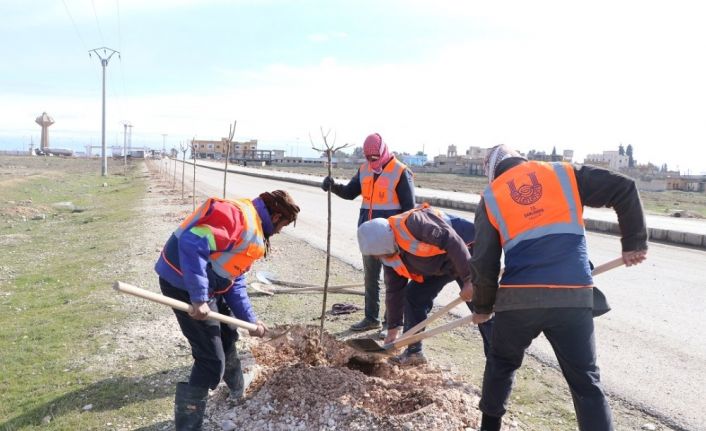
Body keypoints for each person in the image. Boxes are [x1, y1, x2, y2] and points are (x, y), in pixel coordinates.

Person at [469, 145, 648, 431]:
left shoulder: (491, 196)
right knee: (586, 384)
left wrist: (482, 307)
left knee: (501, 364)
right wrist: (634, 244)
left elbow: (484, 261)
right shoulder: (563, 174)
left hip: (518, 301)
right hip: (573, 297)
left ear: (491, 171)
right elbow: (624, 187)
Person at [155, 190, 300, 430]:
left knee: (229, 333)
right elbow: (193, 241)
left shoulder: (254, 229)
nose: (280, 231)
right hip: (182, 282)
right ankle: (187, 427)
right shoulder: (237, 218)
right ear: (275, 217)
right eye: (283, 225)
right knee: (211, 360)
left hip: (211, 286)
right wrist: (199, 298)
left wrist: (250, 320)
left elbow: (234, 278)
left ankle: (237, 392)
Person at [357, 203, 493, 366]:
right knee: (414, 296)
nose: (377, 258)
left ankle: (497, 360)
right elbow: (394, 291)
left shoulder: (415, 223)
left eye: (376, 254)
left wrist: (469, 279)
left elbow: (453, 241)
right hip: (440, 264)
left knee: (482, 307)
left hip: (467, 251)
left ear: (383, 244)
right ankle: (414, 353)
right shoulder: (389, 255)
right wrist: (393, 327)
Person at [322, 133, 415, 333]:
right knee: (370, 279)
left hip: (392, 238)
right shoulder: (364, 170)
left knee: (394, 282)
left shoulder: (400, 172)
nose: (372, 161)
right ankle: (371, 318)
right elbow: (349, 192)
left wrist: (403, 237)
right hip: (369, 237)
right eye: (368, 158)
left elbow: (409, 209)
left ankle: (391, 323)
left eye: (375, 157)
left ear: (382, 151)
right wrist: (333, 186)